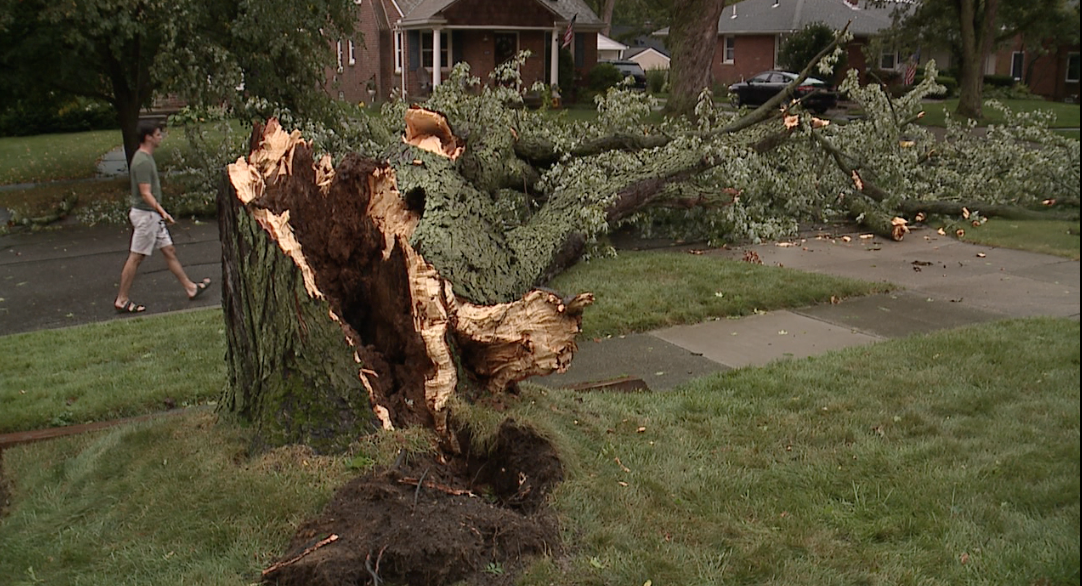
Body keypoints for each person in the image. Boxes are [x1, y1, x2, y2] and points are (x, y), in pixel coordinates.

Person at [113, 120, 210, 313]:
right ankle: (122, 300)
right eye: (158, 134)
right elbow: (145, 193)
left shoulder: (147, 158)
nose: (160, 137)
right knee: (136, 257)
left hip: (152, 216)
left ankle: (190, 288)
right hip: (146, 216)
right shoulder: (141, 161)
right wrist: (162, 211)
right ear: (148, 137)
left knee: (169, 251)